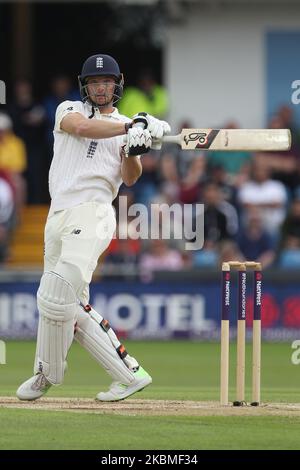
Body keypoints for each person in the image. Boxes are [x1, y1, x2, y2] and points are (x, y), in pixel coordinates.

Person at [16, 54, 170, 402]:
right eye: (95, 82)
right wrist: (133, 127)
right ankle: (119, 374)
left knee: (56, 292)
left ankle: (52, 374)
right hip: (57, 215)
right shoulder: (70, 109)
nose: (101, 88)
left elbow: (130, 178)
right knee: (67, 303)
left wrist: (134, 148)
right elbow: (83, 129)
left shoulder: (130, 124)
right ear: (86, 86)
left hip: (94, 213)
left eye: (107, 82)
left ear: (117, 85)